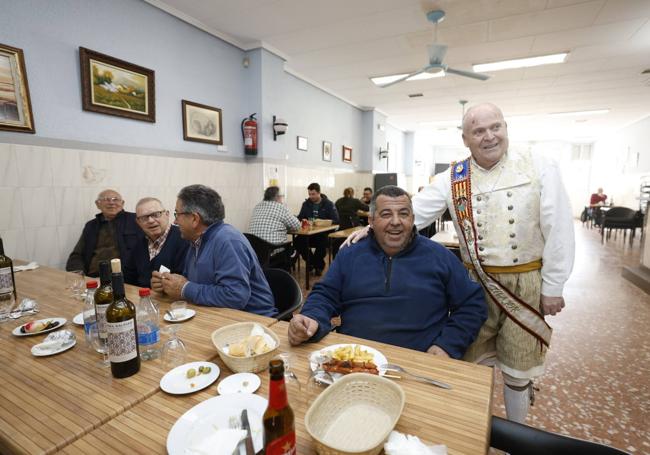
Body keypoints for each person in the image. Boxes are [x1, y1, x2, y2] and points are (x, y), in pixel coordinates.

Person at [344, 103, 575, 424]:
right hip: (475, 287)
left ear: (506, 127)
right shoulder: (453, 177)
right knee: (466, 362)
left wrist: (554, 284)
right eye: (478, 131)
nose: (489, 136)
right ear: (465, 139)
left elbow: (559, 227)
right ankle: (464, 430)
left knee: (518, 371)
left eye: (496, 127)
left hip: (526, 285)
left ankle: (518, 437)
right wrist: (369, 229)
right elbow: (415, 212)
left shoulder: (539, 165)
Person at [288, 186, 487, 358]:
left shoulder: (440, 256)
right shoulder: (350, 255)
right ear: (371, 221)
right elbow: (325, 294)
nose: (396, 221)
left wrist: (447, 345)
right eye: (386, 214)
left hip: (420, 361)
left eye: (403, 214)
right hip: (356, 358)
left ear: (413, 219)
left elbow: (472, 304)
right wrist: (311, 317)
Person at [151, 184, 277, 317]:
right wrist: (168, 284)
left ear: (194, 219)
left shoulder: (228, 241)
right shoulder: (195, 241)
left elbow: (235, 297)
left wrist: (184, 288)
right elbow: (190, 282)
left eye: (177, 214)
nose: (175, 221)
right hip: (216, 314)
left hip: (254, 322)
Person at [66, 189, 139, 277]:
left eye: (115, 199)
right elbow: (77, 254)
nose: (111, 203)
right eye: (106, 199)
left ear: (122, 203)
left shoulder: (136, 220)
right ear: (98, 204)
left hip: (125, 277)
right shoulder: (91, 226)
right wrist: (78, 273)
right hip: (92, 276)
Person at [123, 197, 188, 287]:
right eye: (144, 217)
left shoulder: (185, 239)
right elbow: (129, 278)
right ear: (138, 222)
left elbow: (186, 279)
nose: (150, 220)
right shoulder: (137, 245)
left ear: (167, 214)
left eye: (156, 214)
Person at [248, 186, 300, 269]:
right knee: (295, 248)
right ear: (277, 197)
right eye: (281, 197)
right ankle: (283, 272)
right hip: (273, 251)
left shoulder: (257, 207)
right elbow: (297, 226)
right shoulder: (280, 207)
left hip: (255, 251)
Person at [295, 182, 339, 276]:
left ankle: (316, 265)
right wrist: (301, 219)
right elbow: (300, 217)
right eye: (309, 194)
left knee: (321, 242)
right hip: (309, 233)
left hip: (323, 233)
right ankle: (315, 263)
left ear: (319, 193)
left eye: (313, 194)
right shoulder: (306, 204)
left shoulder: (329, 204)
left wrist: (323, 222)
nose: (311, 196)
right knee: (298, 241)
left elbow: (336, 220)